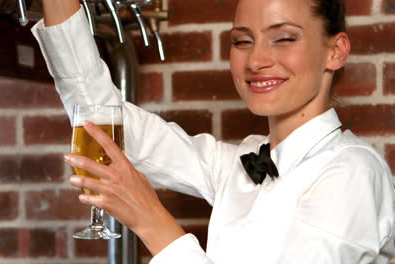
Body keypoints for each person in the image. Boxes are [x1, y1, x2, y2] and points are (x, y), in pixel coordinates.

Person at [31, 0, 395, 262]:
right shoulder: (241, 162)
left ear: (335, 51)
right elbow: (102, 115)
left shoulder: (352, 173)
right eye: (242, 40)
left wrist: (150, 220)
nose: (256, 60)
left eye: (283, 38)